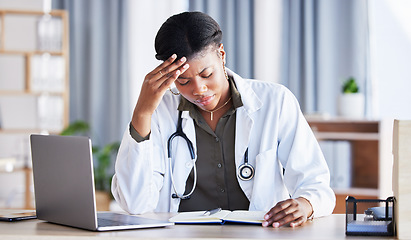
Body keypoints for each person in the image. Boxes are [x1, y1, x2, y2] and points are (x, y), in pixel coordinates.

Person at [112, 11, 335, 228]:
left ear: (221, 54)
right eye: (183, 81)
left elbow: (316, 183)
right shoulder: (159, 112)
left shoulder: (275, 102)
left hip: (259, 234)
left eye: (206, 75)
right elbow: (135, 203)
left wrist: (306, 205)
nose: (199, 90)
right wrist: (142, 113)